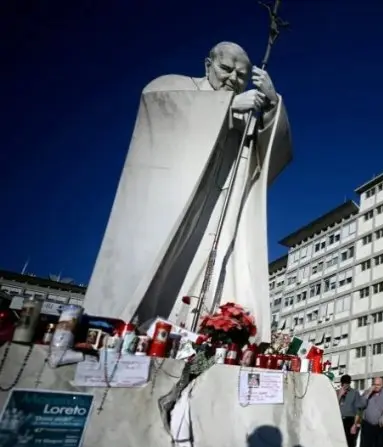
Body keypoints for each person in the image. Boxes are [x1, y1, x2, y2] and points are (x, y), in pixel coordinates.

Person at [84, 41, 292, 336]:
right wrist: (226, 107)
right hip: (175, 207)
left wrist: (271, 106)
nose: (233, 79)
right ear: (208, 64)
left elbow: (275, 156)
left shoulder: (249, 115)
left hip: (220, 210)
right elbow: (157, 107)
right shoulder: (175, 88)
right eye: (226, 69)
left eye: (241, 75)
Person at [336, 375, 361, 447]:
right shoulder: (337, 392)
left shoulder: (355, 393)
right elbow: (332, 406)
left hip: (350, 421)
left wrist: (355, 424)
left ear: (349, 383)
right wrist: (339, 395)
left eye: (347, 384)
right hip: (338, 421)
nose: (345, 386)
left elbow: (358, 410)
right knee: (338, 445)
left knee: (350, 446)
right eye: (343, 384)